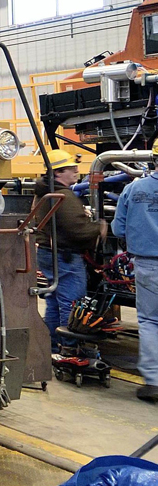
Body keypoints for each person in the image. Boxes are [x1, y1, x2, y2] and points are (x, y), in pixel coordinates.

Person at [34, 149, 107, 349]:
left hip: (49, 253)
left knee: (55, 302)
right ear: (58, 173)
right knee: (71, 304)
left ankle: (53, 345)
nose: (76, 172)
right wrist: (98, 228)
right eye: (71, 169)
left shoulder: (46, 192)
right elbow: (77, 229)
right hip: (64, 256)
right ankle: (69, 347)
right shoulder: (62, 196)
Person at [111, 140, 158, 402]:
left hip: (148, 264)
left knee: (151, 322)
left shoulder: (134, 188)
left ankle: (153, 381)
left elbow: (118, 230)